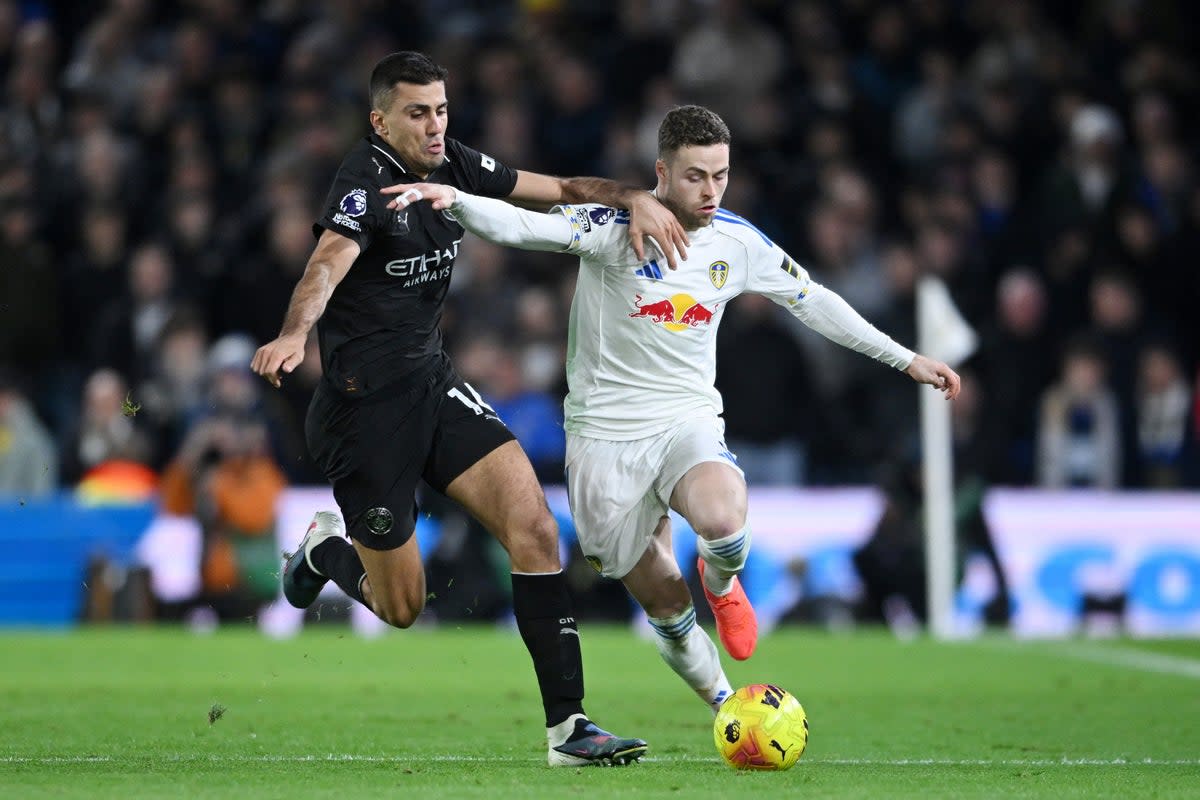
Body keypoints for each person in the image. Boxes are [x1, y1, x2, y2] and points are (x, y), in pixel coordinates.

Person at [385, 105, 961, 716]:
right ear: (662, 171)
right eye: (695, 176)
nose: (711, 191)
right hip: (602, 438)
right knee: (663, 600)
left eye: (721, 175)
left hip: (686, 420)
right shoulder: (615, 226)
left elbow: (814, 301)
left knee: (723, 521)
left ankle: (723, 584)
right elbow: (526, 227)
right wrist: (455, 199)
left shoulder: (737, 242)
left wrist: (906, 360)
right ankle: (726, 705)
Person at [250, 51, 687, 767]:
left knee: (536, 529)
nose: (434, 125)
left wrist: (632, 196)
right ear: (380, 120)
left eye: (442, 109)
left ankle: (568, 730)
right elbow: (326, 263)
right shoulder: (364, 183)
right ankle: (325, 549)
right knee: (402, 609)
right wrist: (296, 332)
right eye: (418, 113)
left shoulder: (454, 164)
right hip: (364, 418)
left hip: (434, 387)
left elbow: (560, 189)